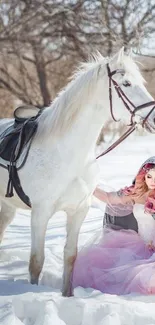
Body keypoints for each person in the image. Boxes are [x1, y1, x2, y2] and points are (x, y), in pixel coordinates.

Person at [71, 156, 155, 295]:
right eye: (149, 176)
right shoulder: (136, 194)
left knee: (145, 277)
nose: (152, 181)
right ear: (143, 177)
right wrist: (89, 185)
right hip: (140, 246)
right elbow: (109, 198)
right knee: (108, 267)